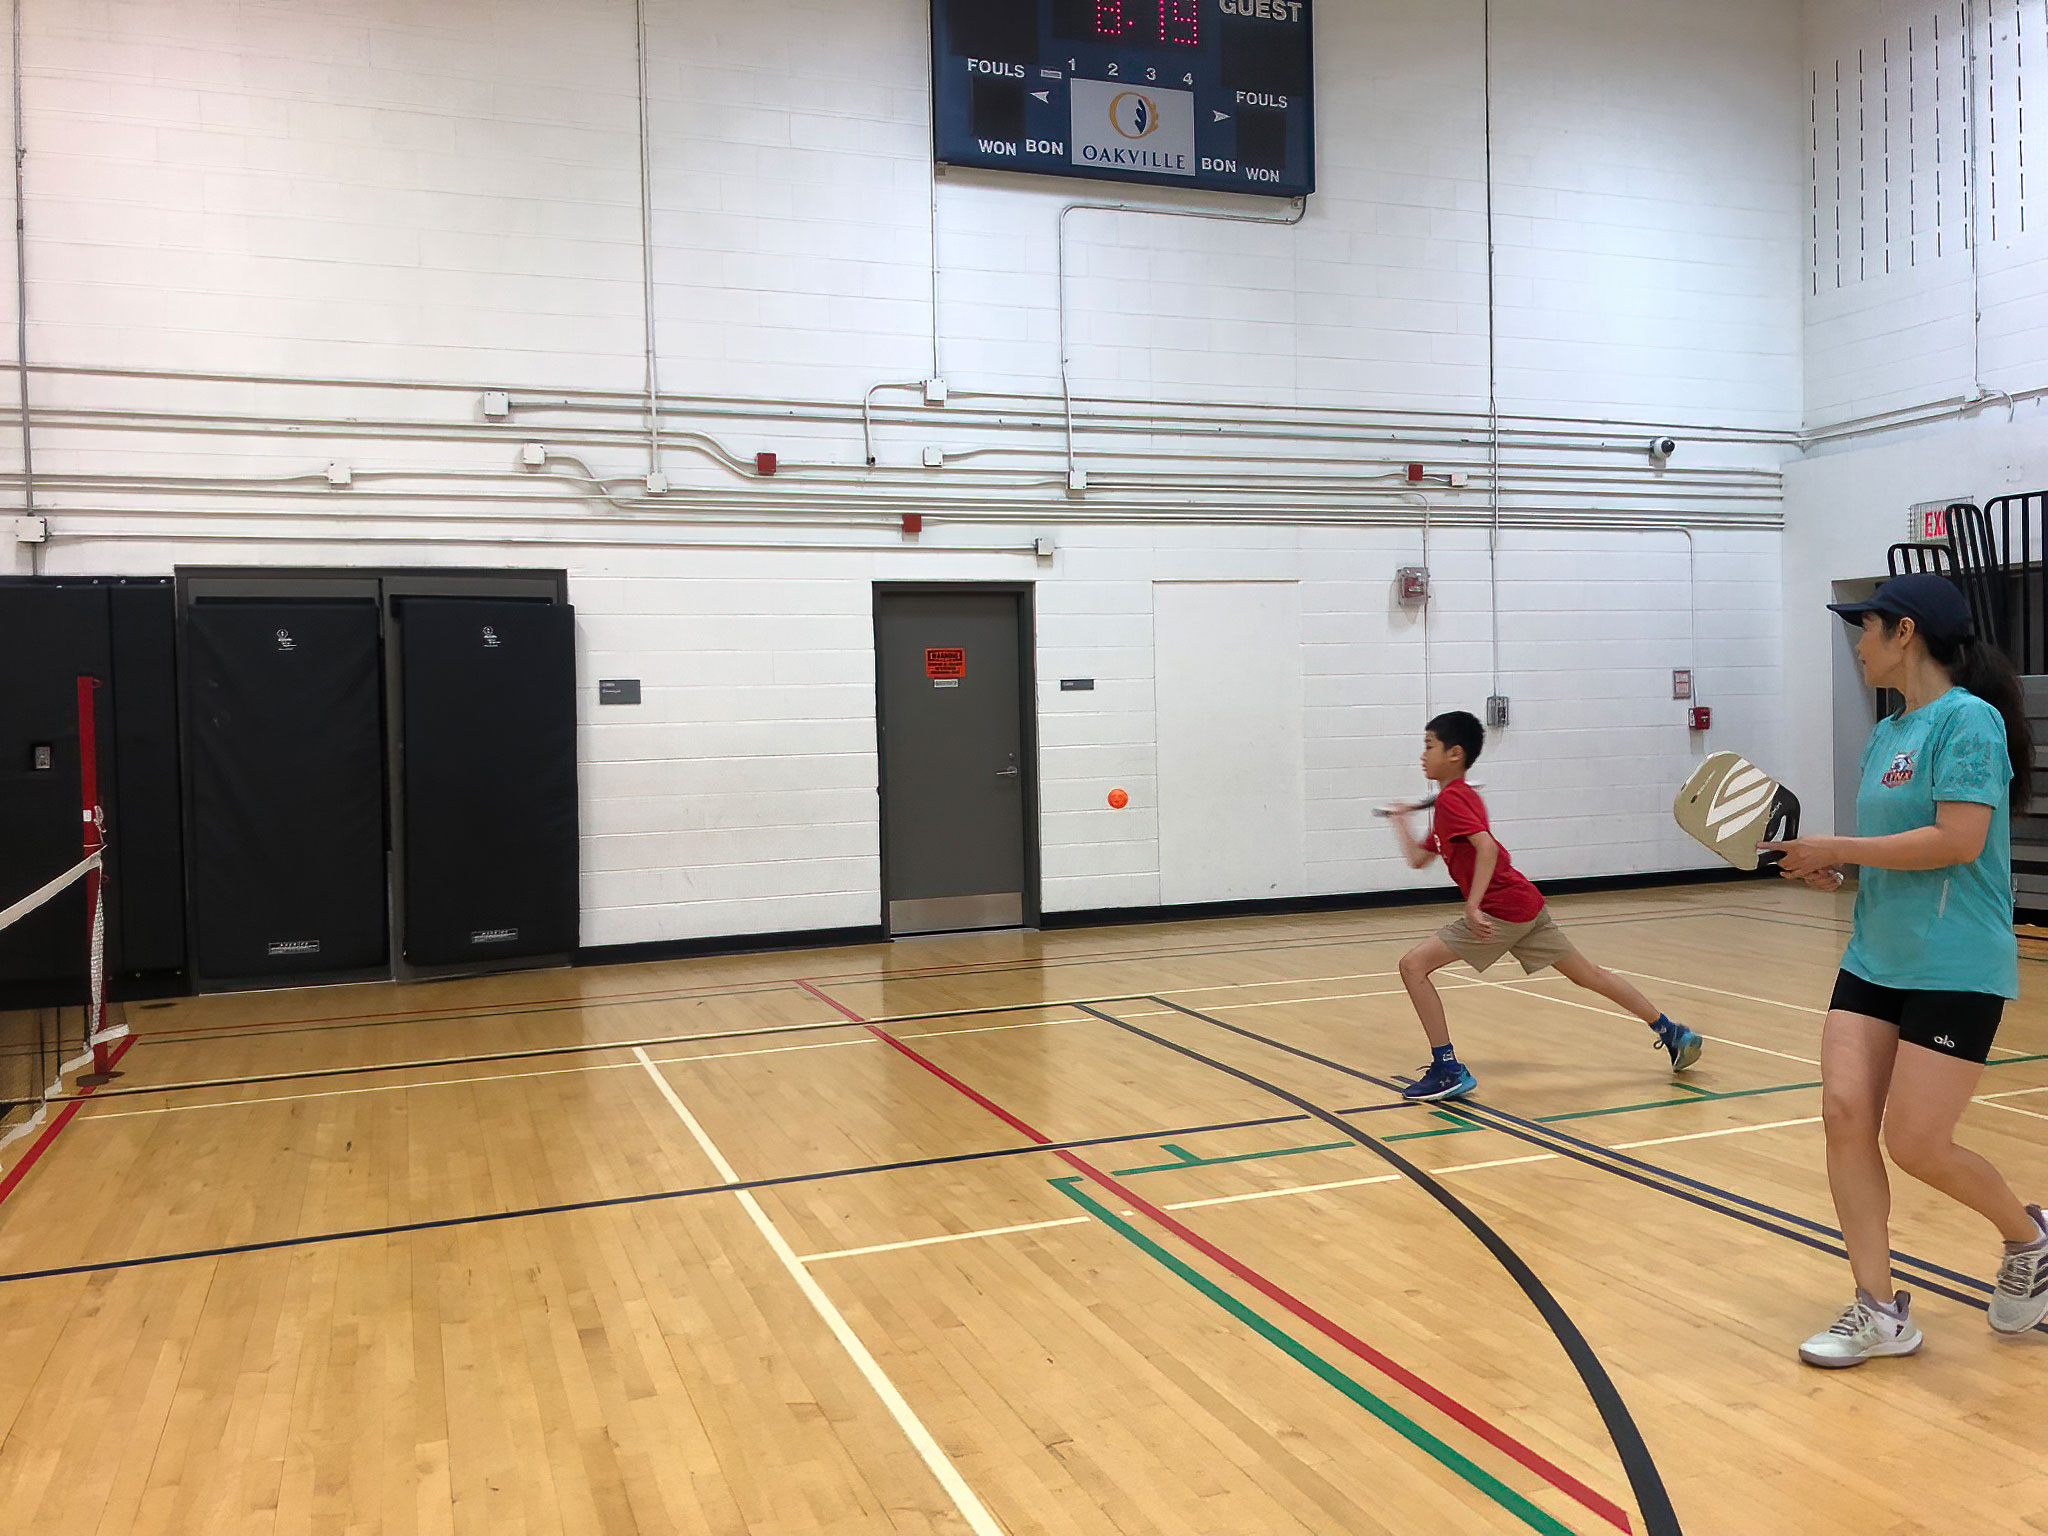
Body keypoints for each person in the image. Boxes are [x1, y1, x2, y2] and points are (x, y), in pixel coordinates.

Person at [1764, 572, 2048, 1365]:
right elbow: (1894, 848)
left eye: (1866, 627)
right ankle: (1879, 1309)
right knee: (1844, 1113)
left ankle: (2029, 1238)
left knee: (1917, 1144)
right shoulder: (1887, 733)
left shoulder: (1970, 721)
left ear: (1905, 632)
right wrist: (1833, 867)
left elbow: (1958, 840)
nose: (1857, 644)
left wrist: (1841, 846)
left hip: (1956, 961)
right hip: (1874, 955)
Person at [1386, 710, 1703, 1103]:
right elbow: (1419, 859)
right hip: (1524, 905)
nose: (1422, 755)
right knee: (1589, 974)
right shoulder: (1455, 800)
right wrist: (1400, 821)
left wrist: (1473, 905)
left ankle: (1447, 1068)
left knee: (1413, 966)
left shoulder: (1452, 801)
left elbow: (1486, 848)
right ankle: (1671, 1032)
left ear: (1455, 754)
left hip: (1500, 910)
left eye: (1429, 746)